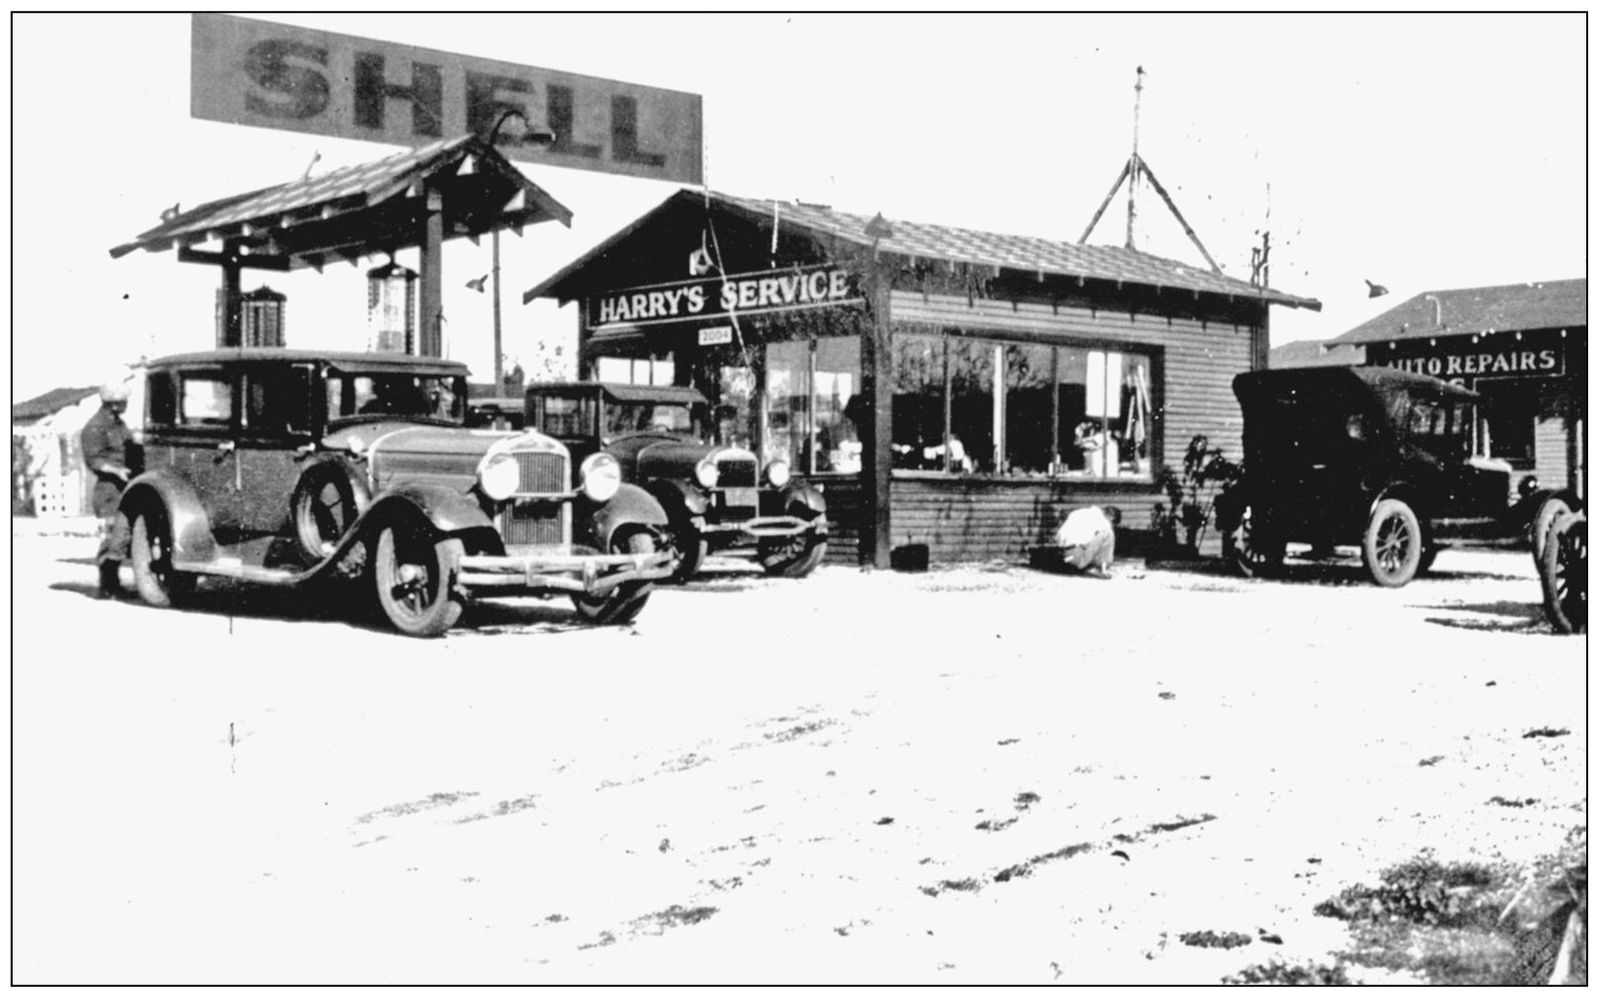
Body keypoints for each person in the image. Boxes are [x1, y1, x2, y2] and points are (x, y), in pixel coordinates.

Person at [82, 382, 136, 598]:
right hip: (108, 491)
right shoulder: (95, 426)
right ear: (114, 403)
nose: (126, 405)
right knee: (110, 537)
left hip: (123, 488)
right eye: (123, 401)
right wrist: (117, 471)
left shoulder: (118, 425)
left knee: (121, 537)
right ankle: (107, 586)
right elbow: (94, 460)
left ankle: (113, 585)